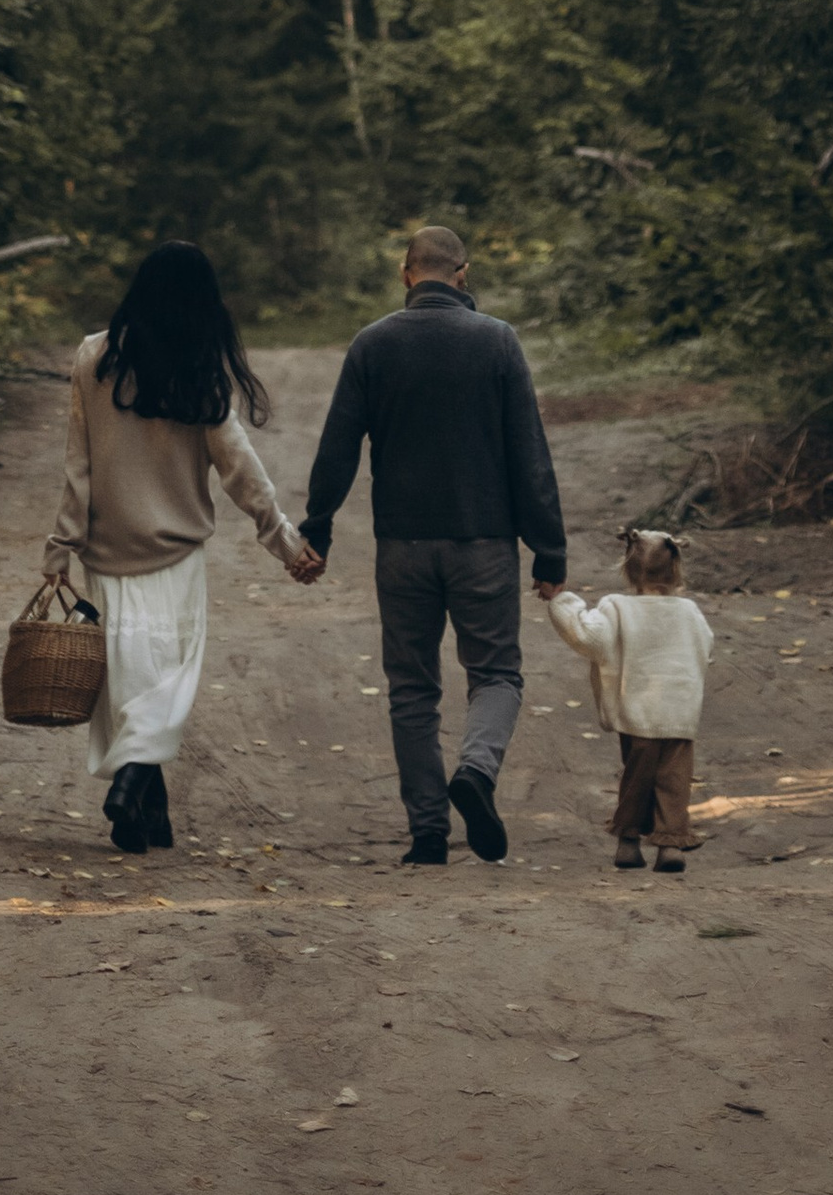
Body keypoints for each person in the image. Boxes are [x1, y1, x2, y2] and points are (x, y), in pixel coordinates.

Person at [297, 224, 567, 867]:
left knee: (412, 689)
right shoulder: (497, 341)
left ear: (406, 273)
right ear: (463, 274)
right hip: (485, 544)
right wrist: (548, 550)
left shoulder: (373, 344)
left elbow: (338, 446)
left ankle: (426, 833)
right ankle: (475, 769)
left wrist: (318, 528)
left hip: (403, 548)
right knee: (496, 673)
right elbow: (529, 452)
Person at [43, 239, 324, 854]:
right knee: (167, 676)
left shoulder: (94, 357)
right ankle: (133, 781)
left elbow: (78, 465)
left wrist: (61, 544)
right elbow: (238, 468)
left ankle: (148, 808)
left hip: (107, 551)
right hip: (175, 553)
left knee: (129, 677)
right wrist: (285, 540)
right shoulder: (197, 368)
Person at [544, 524, 714, 873]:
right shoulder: (689, 611)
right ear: (676, 569)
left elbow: (589, 638)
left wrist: (562, 601)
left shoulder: (616, 608)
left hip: (637, 712)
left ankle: (628, 841)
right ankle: (670, 847)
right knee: (674, 781)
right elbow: (705, 646)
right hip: (679, 713)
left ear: (628, 569)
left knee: (638, 775)